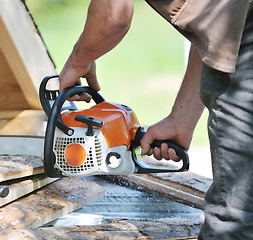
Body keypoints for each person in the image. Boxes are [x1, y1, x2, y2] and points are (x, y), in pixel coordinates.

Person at [58, 0, 253, 239]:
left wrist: (78, 62)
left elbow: (114, 14)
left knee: (233, 218)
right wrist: (182, 119)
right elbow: (214, 27)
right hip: (239, 30)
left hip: (245, 54)